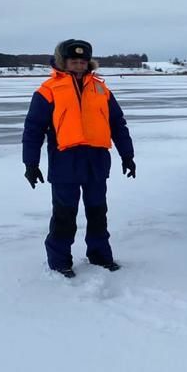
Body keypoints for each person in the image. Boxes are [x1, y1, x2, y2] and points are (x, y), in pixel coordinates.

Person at [22, 39, 136, 277]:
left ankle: (100, 255)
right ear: (64, 61)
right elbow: (33, 129)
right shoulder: (48, 90)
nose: (78, 64)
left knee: (97, 212)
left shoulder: (101, 89)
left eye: (82, 61)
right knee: (64, 215)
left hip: (96, 161)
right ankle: (59, 260)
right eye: (73, 60)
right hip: (65, 162)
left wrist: (128, 156)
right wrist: (30, 163)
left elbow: (117, 124)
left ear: (88, 63)